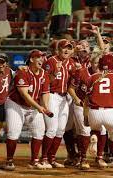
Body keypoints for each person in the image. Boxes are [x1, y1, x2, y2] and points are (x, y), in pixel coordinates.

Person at [4, 49, 51, 170]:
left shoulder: (44, 74)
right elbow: (24, 94)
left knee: (40, 131)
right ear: (31, 59)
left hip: (33, 105)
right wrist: (39, 107)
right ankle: (9, 160)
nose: (42, 59)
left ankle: (34, 161)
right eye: (39, 57)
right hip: (16, 104)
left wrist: (45, 106)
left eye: (43, 57)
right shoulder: (22, 72)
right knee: (13, 132)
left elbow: (45, 93)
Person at [41, 39, 75, 168]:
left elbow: (73, 82)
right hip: (51, 96)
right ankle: (44, 158)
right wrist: (55, 72)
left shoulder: (71, 63)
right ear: (59, 49)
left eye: (69, 48)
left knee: (60, 130)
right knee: (52, 129)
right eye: (64, 48)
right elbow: (45, 81)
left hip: (64, 98)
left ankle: (52, 158)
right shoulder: (51, 61)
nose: (66, 50)